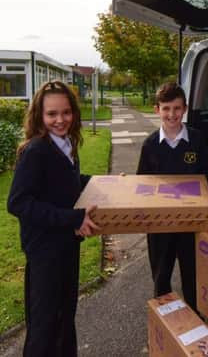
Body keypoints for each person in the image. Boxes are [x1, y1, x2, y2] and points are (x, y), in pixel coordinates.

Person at [7, 80, 99, 357]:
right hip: (45, 252)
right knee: (45, 326)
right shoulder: (36, 151)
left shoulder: (67, 143)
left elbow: (66, 183)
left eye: (66, 112)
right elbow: (19, 202)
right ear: (40, 115)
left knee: (64, 317)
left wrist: (100, 183)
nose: (60, 120)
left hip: (66, 247)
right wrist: (73, 219)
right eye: (52, 114)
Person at [137, 82, 208, 311]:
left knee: (192, 275)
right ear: (157, 110)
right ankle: (165, 327)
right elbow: (142, 185)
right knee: (161, 277)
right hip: (160, 227)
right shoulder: (150, 145)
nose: (172, 114)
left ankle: (196, 321)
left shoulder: (198, 140)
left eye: (177, 108)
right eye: (166, 108)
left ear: (185, 109)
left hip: (191, 225)